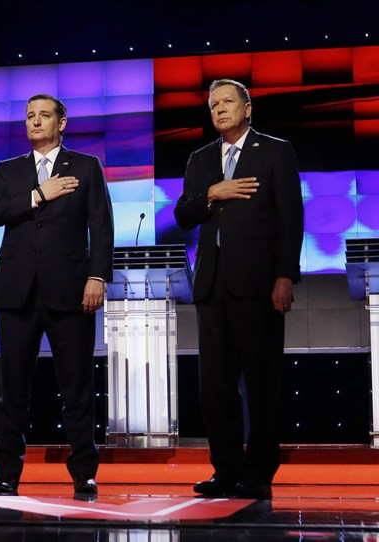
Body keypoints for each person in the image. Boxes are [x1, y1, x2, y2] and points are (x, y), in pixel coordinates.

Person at [174, 79, 304, 500]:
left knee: (263, 383)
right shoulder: (201, 158)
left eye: (228, 102)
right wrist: (212, 192)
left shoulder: (275, 151)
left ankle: (260, 472)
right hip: (211, 288)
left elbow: (290, 217)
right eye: (213, 105)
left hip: (259, 285)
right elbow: (183, 214)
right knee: (214, 387)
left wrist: (284, 275)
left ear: (248, 108)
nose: (220, 110)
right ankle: (226, 470)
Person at [0, 94, 114, 501]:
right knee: (12, 391)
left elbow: (101, 226)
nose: (35, 122)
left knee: (77, 388)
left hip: (71, 290)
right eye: (29, 116)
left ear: (62, 123)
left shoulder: (87, 167)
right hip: (16, 292)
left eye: (44, 115)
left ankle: (84, 475)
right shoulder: (9, 170)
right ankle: (6, 475)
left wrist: (97, 277)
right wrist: (39, 194)